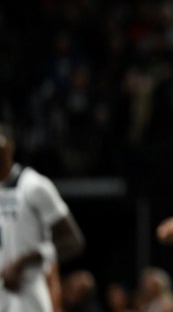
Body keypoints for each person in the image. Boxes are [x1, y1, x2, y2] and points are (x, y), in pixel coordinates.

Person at [0, 122, 86, 312]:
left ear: (10, 146)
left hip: (27, 295)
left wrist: (24, 262)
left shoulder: (33, 186)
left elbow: (73, 241)